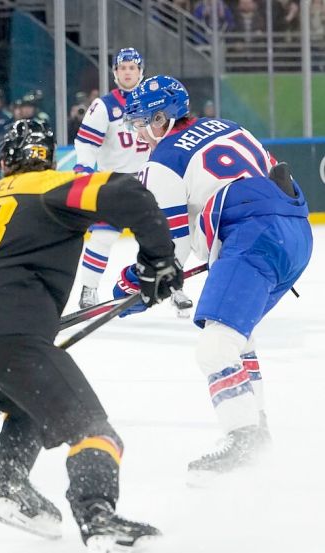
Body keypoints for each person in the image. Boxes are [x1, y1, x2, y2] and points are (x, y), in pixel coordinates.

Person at [0, 119, 179, 550]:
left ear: (3, 162)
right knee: (94, 431)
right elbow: (127, 193)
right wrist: (159, 260)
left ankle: (11, 487)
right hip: (5, 332)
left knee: (28, 409)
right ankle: (98, 516)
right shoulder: (51, 185)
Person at [120, 75, 312, 480]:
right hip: (296, 230)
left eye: (142, 124)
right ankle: (256, 429)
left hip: (254, 236)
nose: (140, 134)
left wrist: (133, 282)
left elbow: (168, 250)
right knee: (236, 337)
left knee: (214, 347)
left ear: (162, 118)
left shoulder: (163, 161)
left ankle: (243, 438)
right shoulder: (227, 126)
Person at [73, 48, 157, 312]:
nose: (128, 72)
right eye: (123, 68)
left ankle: (170, 287)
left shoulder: (155, 103)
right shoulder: (104, 106)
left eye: (133, 67)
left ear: (141, 72)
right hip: (114, 183)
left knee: (166, 237)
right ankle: (89, 289)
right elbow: (86, 143)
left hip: (152, 181)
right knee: (102, 237)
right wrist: (84, 170)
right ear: (115, 73)